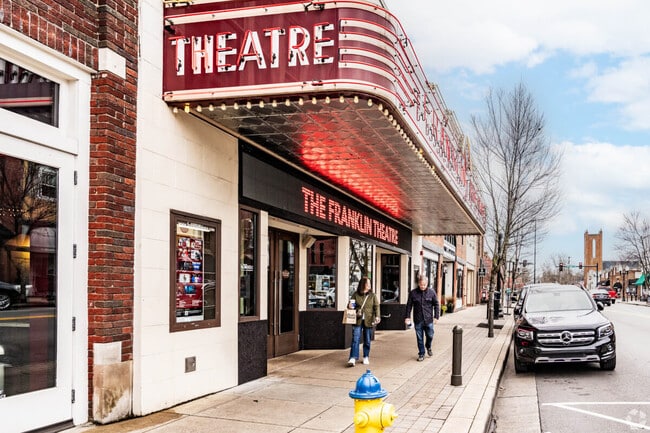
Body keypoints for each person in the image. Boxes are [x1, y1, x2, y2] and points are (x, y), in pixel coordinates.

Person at [404, 275, 440, 361]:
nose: (422, 286)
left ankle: (428, 346)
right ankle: (421, 353)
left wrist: (436, 317)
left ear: (427, 284)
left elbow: (436, 305)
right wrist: (407, 317)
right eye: (421, 285)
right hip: (418, 319)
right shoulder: (413, 293)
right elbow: (409, 306)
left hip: (429, 319)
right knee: (419, 338)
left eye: (424, 285)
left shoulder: (432, 292)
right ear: (418, 283)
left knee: (430, 335)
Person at [347, 276, 380, 367]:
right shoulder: (355, 294)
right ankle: (353, 357)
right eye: (367, 283)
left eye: (369, 283)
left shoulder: (372, 295)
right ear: (363, 284)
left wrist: (377, 316)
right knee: (355, 338)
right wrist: (350, 306)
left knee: (367, 340)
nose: (369, 285)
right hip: (357, 319)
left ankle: (366, 356)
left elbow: (376, 306)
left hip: (369, 320)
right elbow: (350, 305)